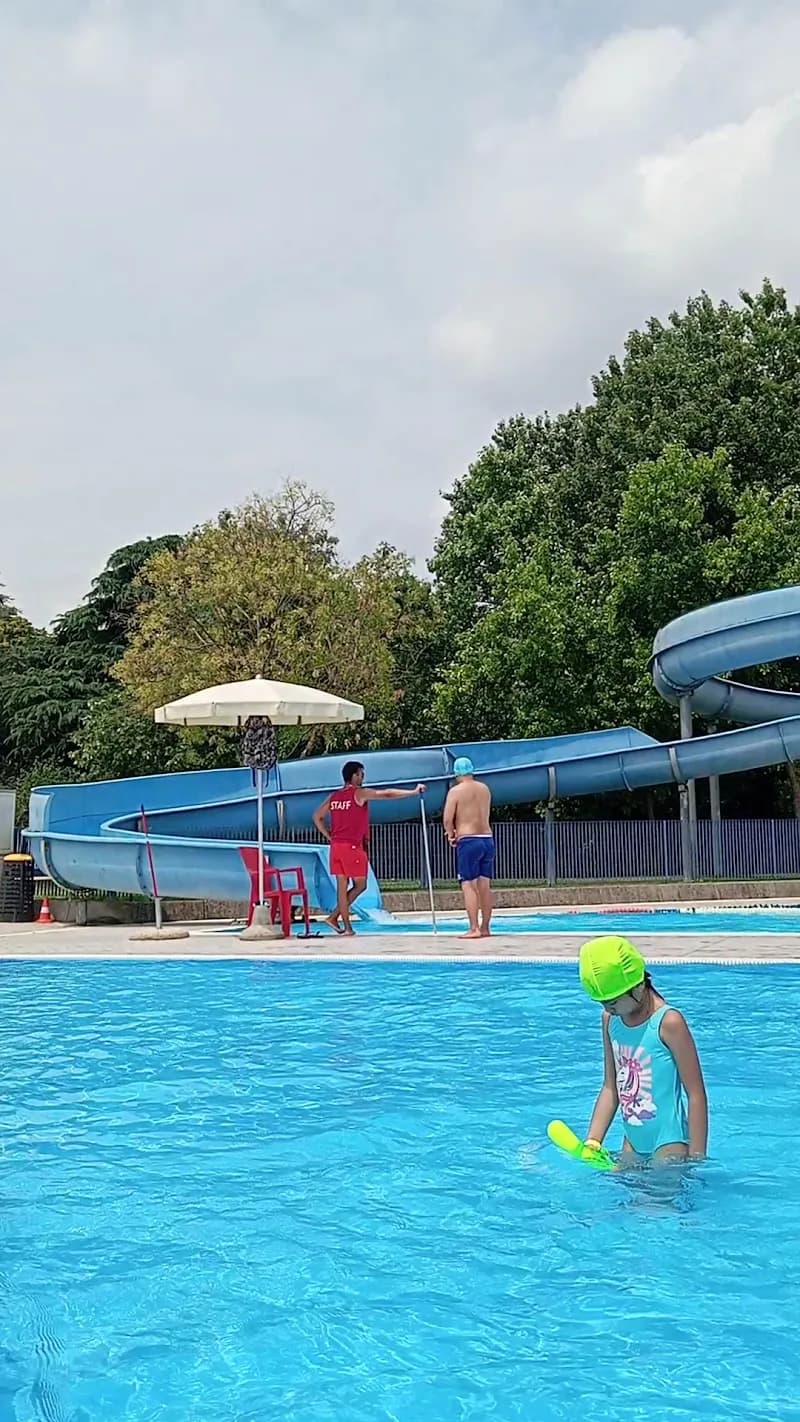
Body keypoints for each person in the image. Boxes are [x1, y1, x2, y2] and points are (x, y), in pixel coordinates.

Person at [580, 935, 708, 1165]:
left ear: (638, 986)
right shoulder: (610, 1020)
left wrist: (697, 1159)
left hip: (669, 1142)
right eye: (602, 1002)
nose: (609, 1008)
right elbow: (611, 1087)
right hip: (632, 1141)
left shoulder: (669, 1023)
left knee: (650, 1201)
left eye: (614, 1001)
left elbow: (696, 1094)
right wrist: (593, 1140)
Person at [313, 761, 425, 936]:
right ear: (355, 775)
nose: (363, 778)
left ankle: (341, 922)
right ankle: (338, 920)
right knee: (361, 884)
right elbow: (386, 794)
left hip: (336, 846)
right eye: (361, 774)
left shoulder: (334, 797)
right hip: (351, 846)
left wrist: (329, 836)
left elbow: (317, 817)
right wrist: (412, 792)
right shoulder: (359, 793)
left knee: (342, 886)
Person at [443, 756, 494, 939]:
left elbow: (448, 819)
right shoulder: (484, 789)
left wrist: (451, 834)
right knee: (485, 885)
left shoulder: (456, 792)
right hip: (487, 839)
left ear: (456, 773)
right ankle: (486, 927)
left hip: (469, 840)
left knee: (468, 884)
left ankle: (474, 928)